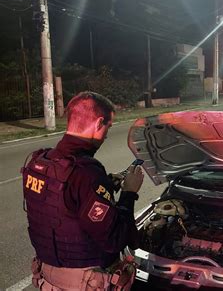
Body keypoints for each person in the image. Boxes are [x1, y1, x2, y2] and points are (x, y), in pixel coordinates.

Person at [22, 91, 145, 290]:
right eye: (108, 127)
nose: (106, 135)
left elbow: (62, 206)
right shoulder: (86, 174)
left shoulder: (40, 163)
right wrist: (129, 192)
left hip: (48, 280)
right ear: (98, 123)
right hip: (85, 282)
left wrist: (105, 186)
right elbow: (115, 239)